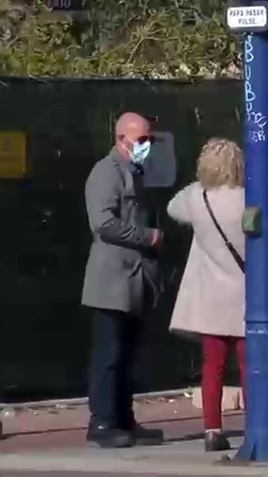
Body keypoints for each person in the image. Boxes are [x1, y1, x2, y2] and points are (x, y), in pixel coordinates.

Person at [81, 112, 166, 448]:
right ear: (121, 138)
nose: (147, 146)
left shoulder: (136, 172)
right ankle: (101, 422)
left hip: (135, 278)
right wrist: (147, 237)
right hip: (111, 280)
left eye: (149, 140)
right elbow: (103, 223)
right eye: (141, 140)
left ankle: (124, 419)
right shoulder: (105, 172)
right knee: (110, 354)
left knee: (128, 353)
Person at [166, 138, 247, 452]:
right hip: (245, 296)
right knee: (249, 367)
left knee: (212, 366)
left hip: (210, 297)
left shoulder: (196, 199)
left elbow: (173, 207)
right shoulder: (249, 198)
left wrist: (198, 184)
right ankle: (255, 426)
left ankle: (212, 430)